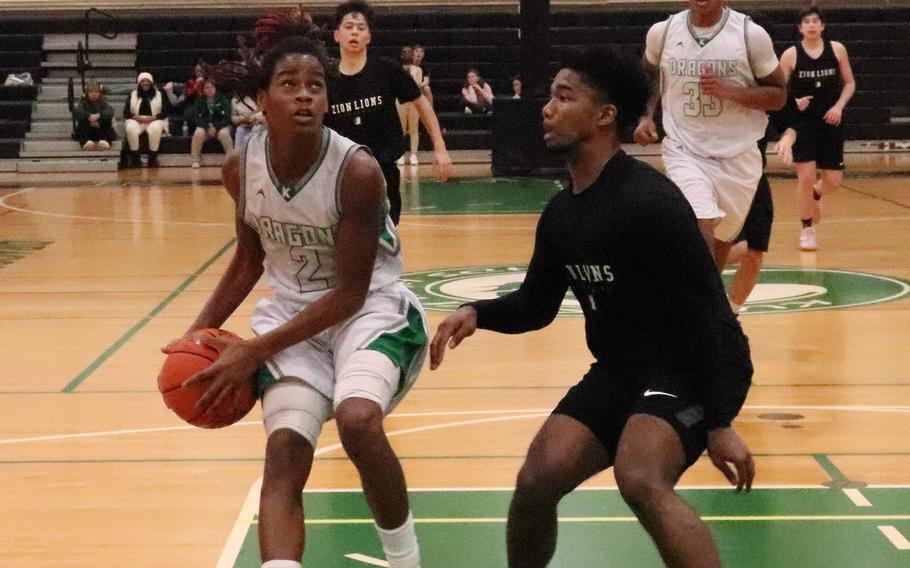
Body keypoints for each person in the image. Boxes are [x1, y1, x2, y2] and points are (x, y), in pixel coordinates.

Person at [431, 46, 755, 568]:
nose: (547, 108)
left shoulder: (651, 203)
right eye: (551, 96)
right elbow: (537, 306)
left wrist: (719, 422)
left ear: (605, 116)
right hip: (623, 368)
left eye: (564, 97)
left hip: (694, 364)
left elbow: (706, 317)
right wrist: (478, 313)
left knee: (640, 477)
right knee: (537, 478)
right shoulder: (563, 212)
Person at [167, 8, 427, 568]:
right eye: (289, 85)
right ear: (262, 99)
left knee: (358, 420)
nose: (305, 95)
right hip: (291, 317)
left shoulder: (356, 171)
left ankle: (406, 560)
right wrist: (197, 334)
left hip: (370, 313)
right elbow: (247, 260)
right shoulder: (241, 167)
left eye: (316, 85)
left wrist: (252, 351)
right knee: (284, 452)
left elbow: (351, 294)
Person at [634, 0, 787, 269]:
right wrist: (646, 116)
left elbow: (779, 96)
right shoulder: (663, 32)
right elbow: (649, 76)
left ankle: (705, 306)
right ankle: (696, 302)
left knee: (720, 248)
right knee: (701, 218)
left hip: (739, 155)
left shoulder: (750, 35)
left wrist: (731, 92)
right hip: (685, 149)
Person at [326, 0, 452, 225]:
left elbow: (421, 103)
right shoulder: (326, 79)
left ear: (369, 37)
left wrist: (439, 147)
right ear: (336, 35)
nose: (354, 31)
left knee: (383, 245)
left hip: (383, 171)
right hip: (339, 174)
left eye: (360, 27)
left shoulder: (386, 70)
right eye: (348, 26)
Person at [778, 5, 856, 251]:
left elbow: (850, 83)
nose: (811, 25)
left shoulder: (837, 50)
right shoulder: (791, 55)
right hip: (804, 122)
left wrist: (839, 107)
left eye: (815, 21)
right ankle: (807, 228)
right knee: (806, 174)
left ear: (822, 26)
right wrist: (793, 101)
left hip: (830, 120)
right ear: (800, 28)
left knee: (833, 181)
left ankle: (816, 194)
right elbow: (779, 90)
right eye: (806, 22)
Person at [123, 72, 166, 168]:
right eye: (143, 81)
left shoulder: (159, 95)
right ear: (139, 83)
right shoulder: (132, 95)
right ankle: (135, 160)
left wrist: (153, 118)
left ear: (151, 83)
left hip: (154, 119)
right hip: (136, 119)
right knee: (130, 129)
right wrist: (136, 117)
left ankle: (152, 159)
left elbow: (165, 112)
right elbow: (126, 113)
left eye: (148, 81)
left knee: (155, 129)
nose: (145, 83)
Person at [190, 79, 234, 168]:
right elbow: (197, 118)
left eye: (211, 87)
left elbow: (227, 118)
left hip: (220, 126)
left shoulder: (223, 99)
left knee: (224, 134)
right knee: (198, 133)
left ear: (215, 88)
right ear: (203, 90)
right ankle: (195, 160)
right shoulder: (199, 100)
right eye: (207, 88)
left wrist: (216, 128)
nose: (209, 89)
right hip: (206, 127)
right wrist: (207, 128)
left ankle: (231, 159)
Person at [396, 46, 422, 166]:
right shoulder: (397, 69)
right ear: (401, 55)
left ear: (412, 55)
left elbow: (417, 86)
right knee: (400, 128)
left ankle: (413, 154)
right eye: (404, 52)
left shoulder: (418, 70)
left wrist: (409, 75)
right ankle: (400, 154)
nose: (407, 54)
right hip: (400, 101)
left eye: (409, 52)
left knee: (413, 128)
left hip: (413, 102)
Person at [72, 82, 115, 151]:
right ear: (87, 94)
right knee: (82, 120)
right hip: (88, 130)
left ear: (99, 93)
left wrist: (99, 115)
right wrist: (88, 116)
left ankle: (104, 142)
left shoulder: (103, 101)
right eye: (91, 92)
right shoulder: (83, 101)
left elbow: (110, 111)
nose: (94, 94)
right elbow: (76, 110)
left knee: (107, 119)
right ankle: (86, 143)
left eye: (96, 92)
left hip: (100, 129)